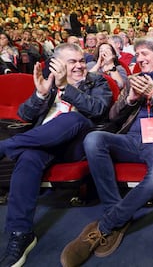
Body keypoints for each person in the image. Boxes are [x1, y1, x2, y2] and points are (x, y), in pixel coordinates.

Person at [60, 36, 153, 267]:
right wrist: (130, 99)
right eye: (138, 54)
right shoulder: (131, 81)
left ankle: (106, 224)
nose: (139, 58)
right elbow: (113, 115)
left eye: (144, 54)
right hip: (131, 139)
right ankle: (118, 215)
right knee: (93, 139)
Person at [0, 43, 113, 267]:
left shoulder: (96, 81)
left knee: (74, 118)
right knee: (29, 157)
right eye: (73, 62)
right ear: (58, 63)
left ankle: (4, 147)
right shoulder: (48, 83)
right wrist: (40, 95)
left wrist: (66, 88)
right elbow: (24, 114)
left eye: (81, 60)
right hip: (43, 144)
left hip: (76, 146)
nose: (80, 65)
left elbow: (98, 109)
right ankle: (20, 234)